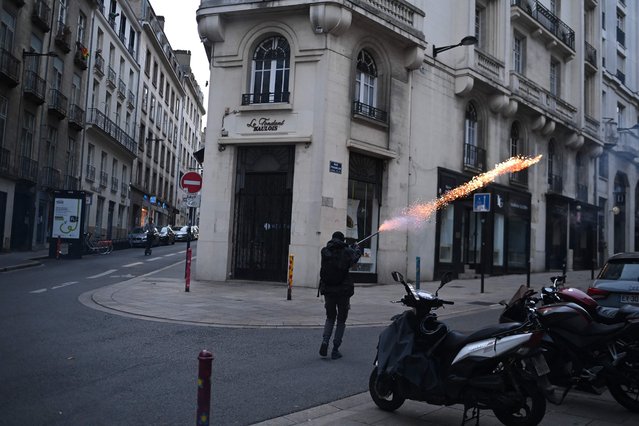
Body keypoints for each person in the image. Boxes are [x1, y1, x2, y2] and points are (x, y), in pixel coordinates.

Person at [318, 231, 362, 359]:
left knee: (330, 317)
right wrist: (356, 249)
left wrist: (349, 248)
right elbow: (354, 260)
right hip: (343, 291)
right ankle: (335, 349)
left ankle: (325, 341)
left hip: (328, 290)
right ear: (343, 240)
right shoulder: (347, 251)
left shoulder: (324, 251)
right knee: (341, 320)